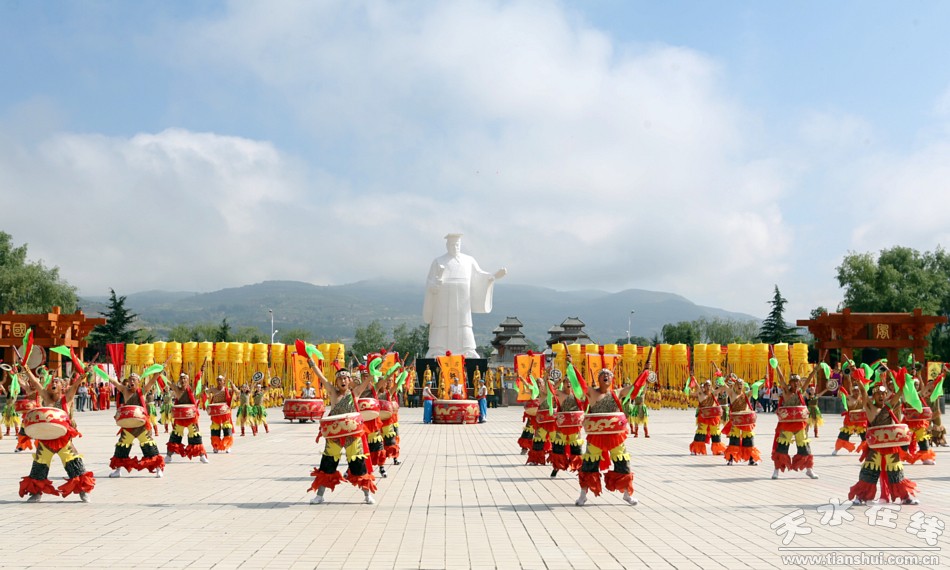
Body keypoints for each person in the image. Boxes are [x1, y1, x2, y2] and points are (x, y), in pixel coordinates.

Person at [18, 366, 95, 502]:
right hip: (46, 438)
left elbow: (76, 383)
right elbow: (36, 383)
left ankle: (83, 491)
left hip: (63, 439)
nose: (53, 383)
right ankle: (36, 493)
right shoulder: (46, 397)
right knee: (39, 465)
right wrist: (27, 370)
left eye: (57, 382)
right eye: (52, 382)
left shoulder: (67, 397)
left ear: (63, 387)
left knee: (74, 464)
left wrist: (84, 373)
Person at [423, 233, 506, 358]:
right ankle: (437, 349)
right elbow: (430, 282)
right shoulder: (438, 261)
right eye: (451, 244)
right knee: (441, 323)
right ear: (447, 245)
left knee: (463, 324)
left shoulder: (469, 260)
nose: (454, 247)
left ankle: (467, 349)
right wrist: (435, 285)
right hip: (443, 300)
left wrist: (494, 276)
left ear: (460, 245)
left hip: (463, 300)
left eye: (457, 244)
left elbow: (480, 276)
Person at [848, 367, 918, 505]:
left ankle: (905, 496)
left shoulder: (888, 407)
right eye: (878, 394)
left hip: (890, 447)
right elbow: (862, 391)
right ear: (873, 396)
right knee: (869, 472)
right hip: (875, 447)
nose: (881, 396)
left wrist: (905, 381)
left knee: (896, 471)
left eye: (883, 394)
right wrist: (857, 377)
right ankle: (861, 497)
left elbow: (899, 392)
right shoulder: (869, 406)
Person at [308, 367, 377, 505]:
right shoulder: (333, 393)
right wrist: (312, 363)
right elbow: (321, 377)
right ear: (336, 381)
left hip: (352, 435)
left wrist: (375, 367)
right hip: (334, 435)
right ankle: (320, 496)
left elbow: (369, 379)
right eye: (340, 379)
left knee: (358, 465)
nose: (343, 381)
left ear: (350, 380)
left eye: (345, 378)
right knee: (327, 465)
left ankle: (367, 495)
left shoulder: (355, 393)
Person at [576, 368, 639, 507]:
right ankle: (583, 495)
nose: (606, 376)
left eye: (608, 375)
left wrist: (645, 373)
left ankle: (627, 494)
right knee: (589, 464)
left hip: (615, 436)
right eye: (603, 375)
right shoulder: (592, 392)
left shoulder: (617, 393)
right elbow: (580, 383)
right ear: (599, 379)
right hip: (596, 436)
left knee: (623, 462)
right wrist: (571, 365)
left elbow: (635, 387)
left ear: (612, 379)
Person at [107, 373, 165, 478]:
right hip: (128, 425)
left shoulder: (142, 391)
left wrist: (158, 372)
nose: (132, 382)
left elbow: (152, 381)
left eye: (134, 380)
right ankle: (118, 470)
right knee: (121, 447)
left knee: (149, 446)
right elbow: (114, 382)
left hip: (141, 426)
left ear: (138, 382)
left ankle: (158, 469)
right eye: (130, 380)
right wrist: (103, 373)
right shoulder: (124, 390)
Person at [771, 366, 818, 480]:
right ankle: (776, 470)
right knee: (781, 448)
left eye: (798, 382)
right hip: (786, 426)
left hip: (800, 425)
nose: (796, 384)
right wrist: (777, 366)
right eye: (794, 382)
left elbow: (807, 381)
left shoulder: (801, 392)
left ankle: (809, 470)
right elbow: (781, 378)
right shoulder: (786, 392)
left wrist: (814, 371)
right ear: (790, 383)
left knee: (805, 447)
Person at [165, 372, 209, 464]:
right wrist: (161, 374)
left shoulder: (191, 389)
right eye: (181, 378)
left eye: (185, 378)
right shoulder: (177, 390)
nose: (183, 380)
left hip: (190, 418)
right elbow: (168, 382)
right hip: (180, 418)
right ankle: (168, 456)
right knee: (175, 436)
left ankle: (201, 455)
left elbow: (197, 381)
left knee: (196, 435)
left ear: (188, 380)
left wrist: (201, 373)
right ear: (179, 380)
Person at [722, 377, 760, 466]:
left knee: (749, 440)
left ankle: (751, 459)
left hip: (746, 421)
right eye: (738, 384)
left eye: (741, 384)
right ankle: (730, 459)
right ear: (735, 385)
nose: (740, 385)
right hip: (736, 421)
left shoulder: (746, 394)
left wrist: (763, 381)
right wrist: (722, 378)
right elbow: (724, 385)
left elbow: (756, 389)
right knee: (734, 440)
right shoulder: (731, 394)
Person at [833, 366, 868, 456]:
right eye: (855, 391)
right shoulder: (849, 398)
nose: (856, 392)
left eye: (858, 391)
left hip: (861, 422)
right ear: (853, 391)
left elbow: (863, 389)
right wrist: (847, 375)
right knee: (843, 436)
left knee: (866, 437)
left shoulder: (862, 399)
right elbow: (848, 385)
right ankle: (836, 449)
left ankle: (867, 450)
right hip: (850, 421)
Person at [205, 375, 235, 454]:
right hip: (215, 412)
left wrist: (233, 386)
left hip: (225, 412)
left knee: (227, 428)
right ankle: (216, 446)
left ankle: (227, 446)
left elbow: (236, 392)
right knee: (215, 429)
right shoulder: (213, 390)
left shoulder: (226, 389)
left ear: (223, 382)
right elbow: (204, 393)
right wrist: (203, 388)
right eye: (218, 380)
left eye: (220, 380)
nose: (219, 382)